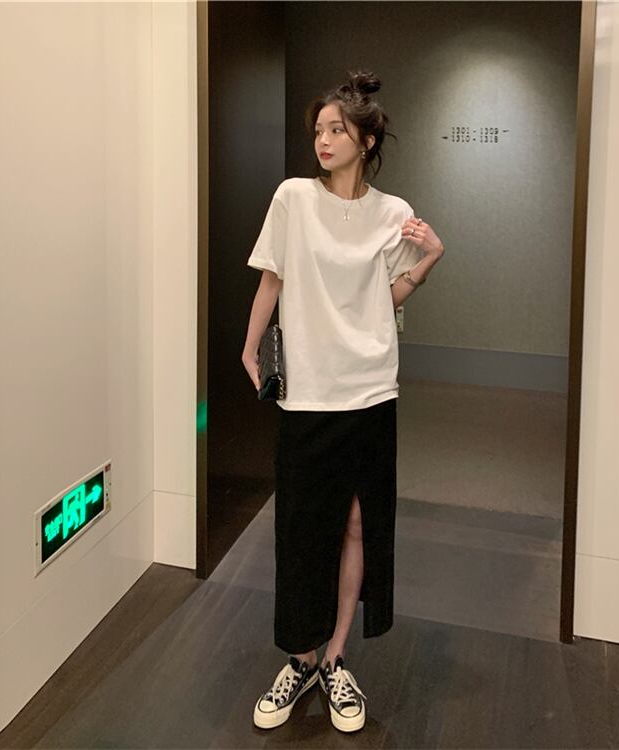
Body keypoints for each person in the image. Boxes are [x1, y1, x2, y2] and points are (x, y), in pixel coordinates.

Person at [241, 69, 445, 733]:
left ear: (367, 139)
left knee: (358, 524)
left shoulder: (392, 213)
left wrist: (427, 261)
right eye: (319, 130)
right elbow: (273, 278)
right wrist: (250, 346)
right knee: (303, 527)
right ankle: (299, 659)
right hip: (308, 391)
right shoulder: (293, 199)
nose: (323, 140)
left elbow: (384, 299)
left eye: (336, 130)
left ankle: (334, 659)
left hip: (370, 388)